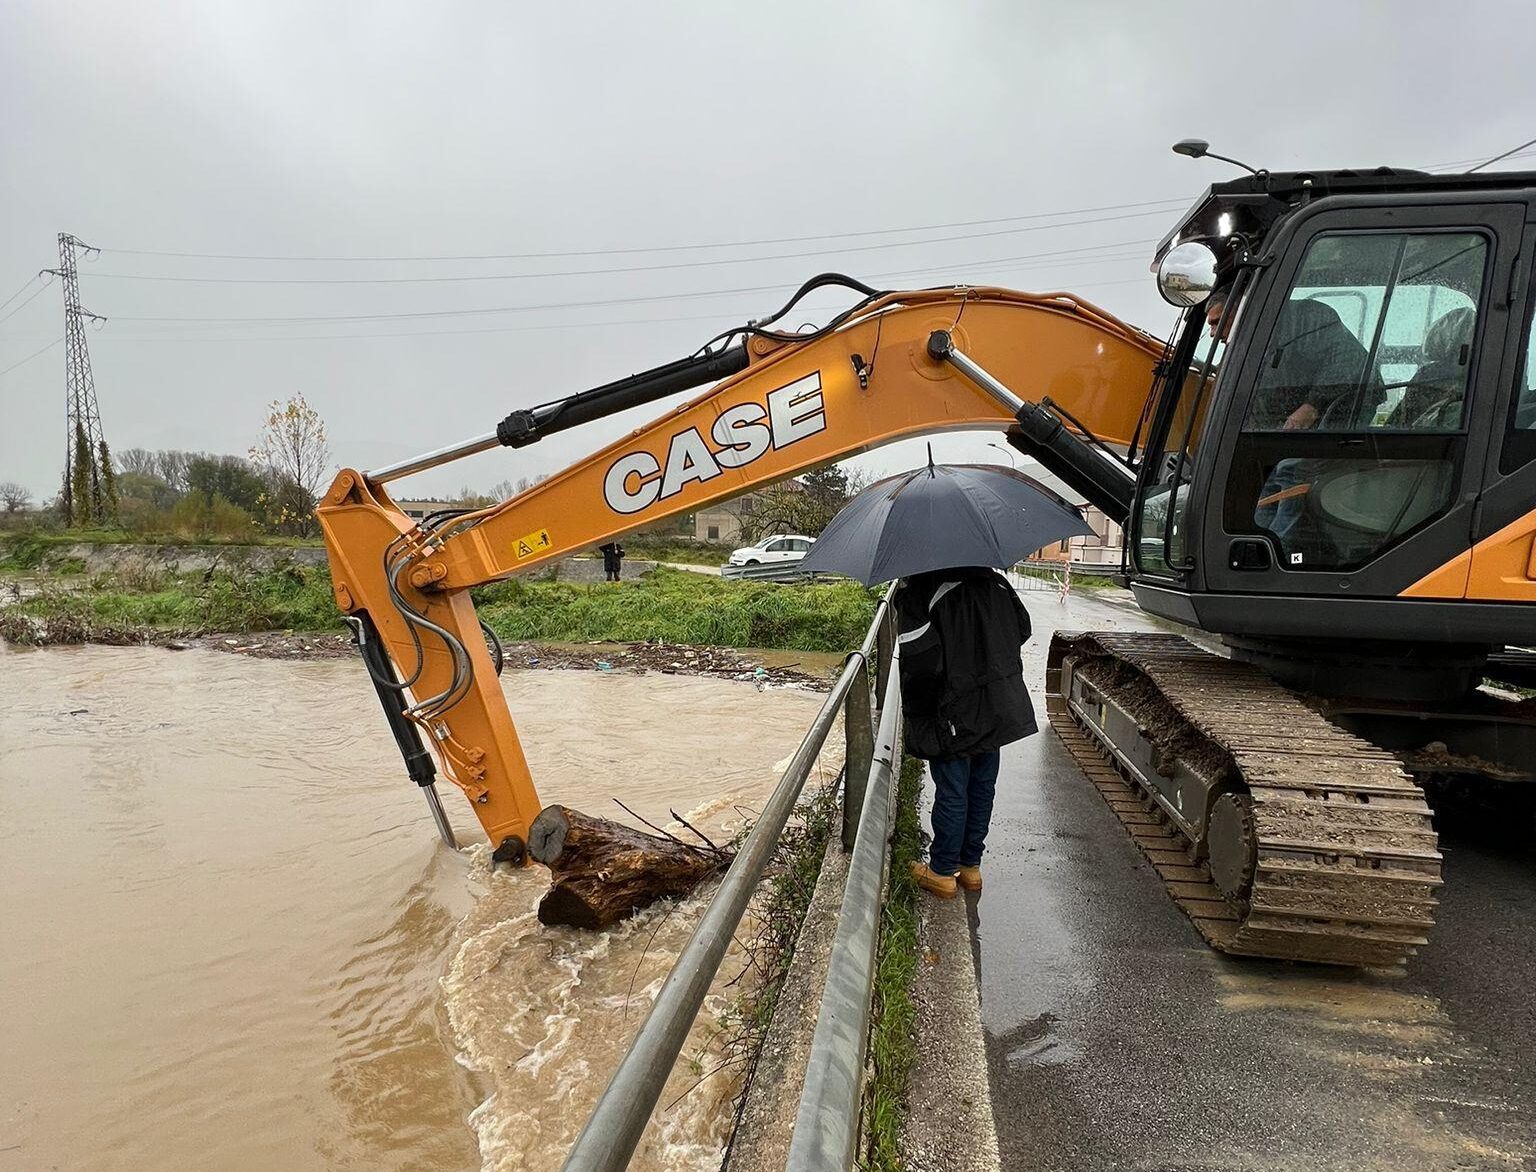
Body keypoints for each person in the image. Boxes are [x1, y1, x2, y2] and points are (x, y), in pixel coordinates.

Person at [897, 565, 1035, 899]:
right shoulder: (995, 581)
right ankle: (971, 867)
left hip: (954, 707)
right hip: (996, 702)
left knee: (953, 789)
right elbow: (1022, 628)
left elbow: (920, 664)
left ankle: (943, 871)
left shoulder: (921, 588)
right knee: (982, 784)